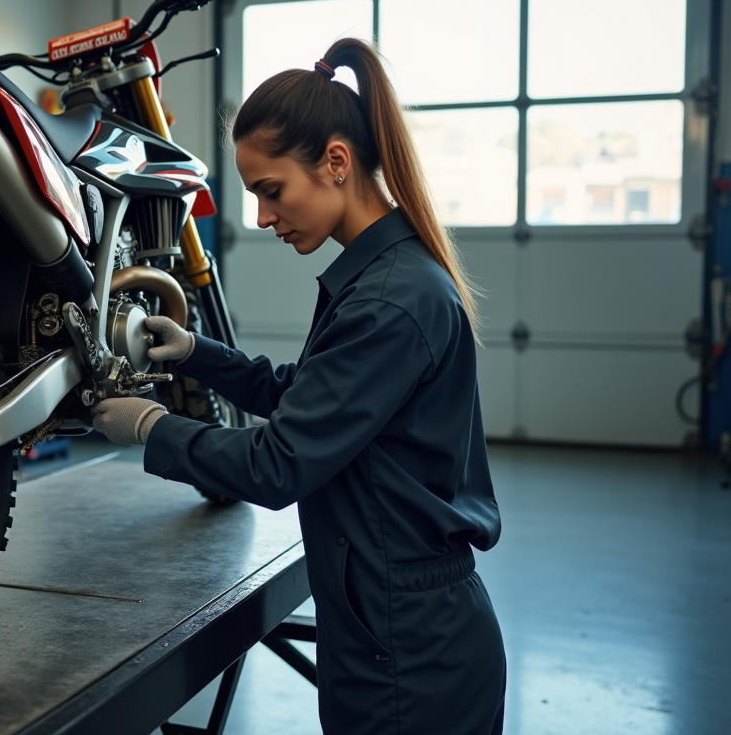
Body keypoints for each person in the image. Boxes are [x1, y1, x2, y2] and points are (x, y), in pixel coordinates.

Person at [90, 37, 506, 734]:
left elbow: (279, 463)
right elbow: (306, 396)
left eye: (270, 191)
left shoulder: (389, 301)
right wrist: (196, 353)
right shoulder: (382, 279)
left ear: (336, 162)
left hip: (412, 650)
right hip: (385, 623)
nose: (261, 217)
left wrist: (148, 426)